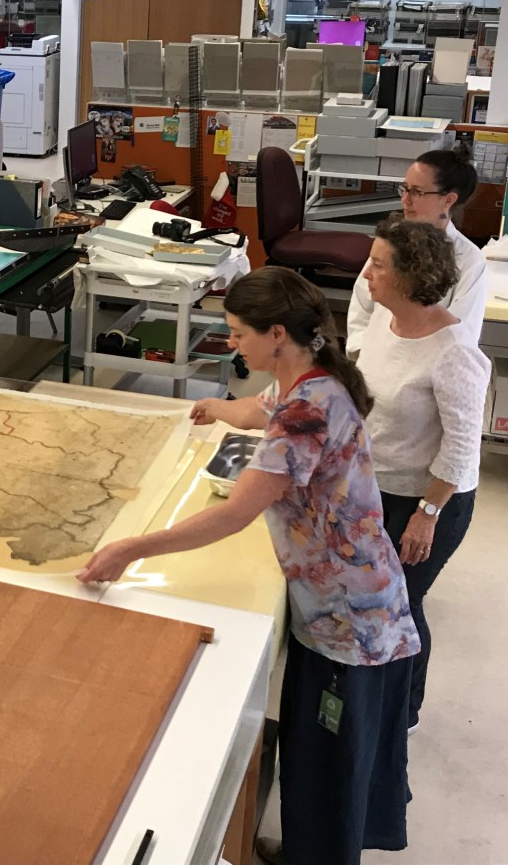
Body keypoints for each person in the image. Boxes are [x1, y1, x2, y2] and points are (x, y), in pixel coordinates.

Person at [79, 266, 420, 865]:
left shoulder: (307, 411)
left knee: (329, 763)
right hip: (343, 601)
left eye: (238, 333)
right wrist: (211, 407)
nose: (231, 343)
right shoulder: (305, 382)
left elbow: (232, 515)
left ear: (278, 334)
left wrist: (129, 548)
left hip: (348, 618)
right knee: (314, 754)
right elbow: (253, 411)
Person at [355, 219, 490, 734]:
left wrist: (426, 516)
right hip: (379, 484)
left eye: (379, 264)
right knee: (376, 597)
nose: (367, 272)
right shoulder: (383, 323)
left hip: (430, 501)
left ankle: (403, 711)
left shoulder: (454, 352)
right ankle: (377, 692)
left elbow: (460, 448)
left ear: (410, 276)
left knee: (404, 603)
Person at [347, 148, 488, 355]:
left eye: (417, 192)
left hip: (426, 369)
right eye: (405, 188)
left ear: (448, 200)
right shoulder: (391, 240)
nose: (405, 199)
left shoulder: (469, 261)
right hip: (373, 358)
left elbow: (460, 337)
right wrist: (364, 355)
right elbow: (362, 306)